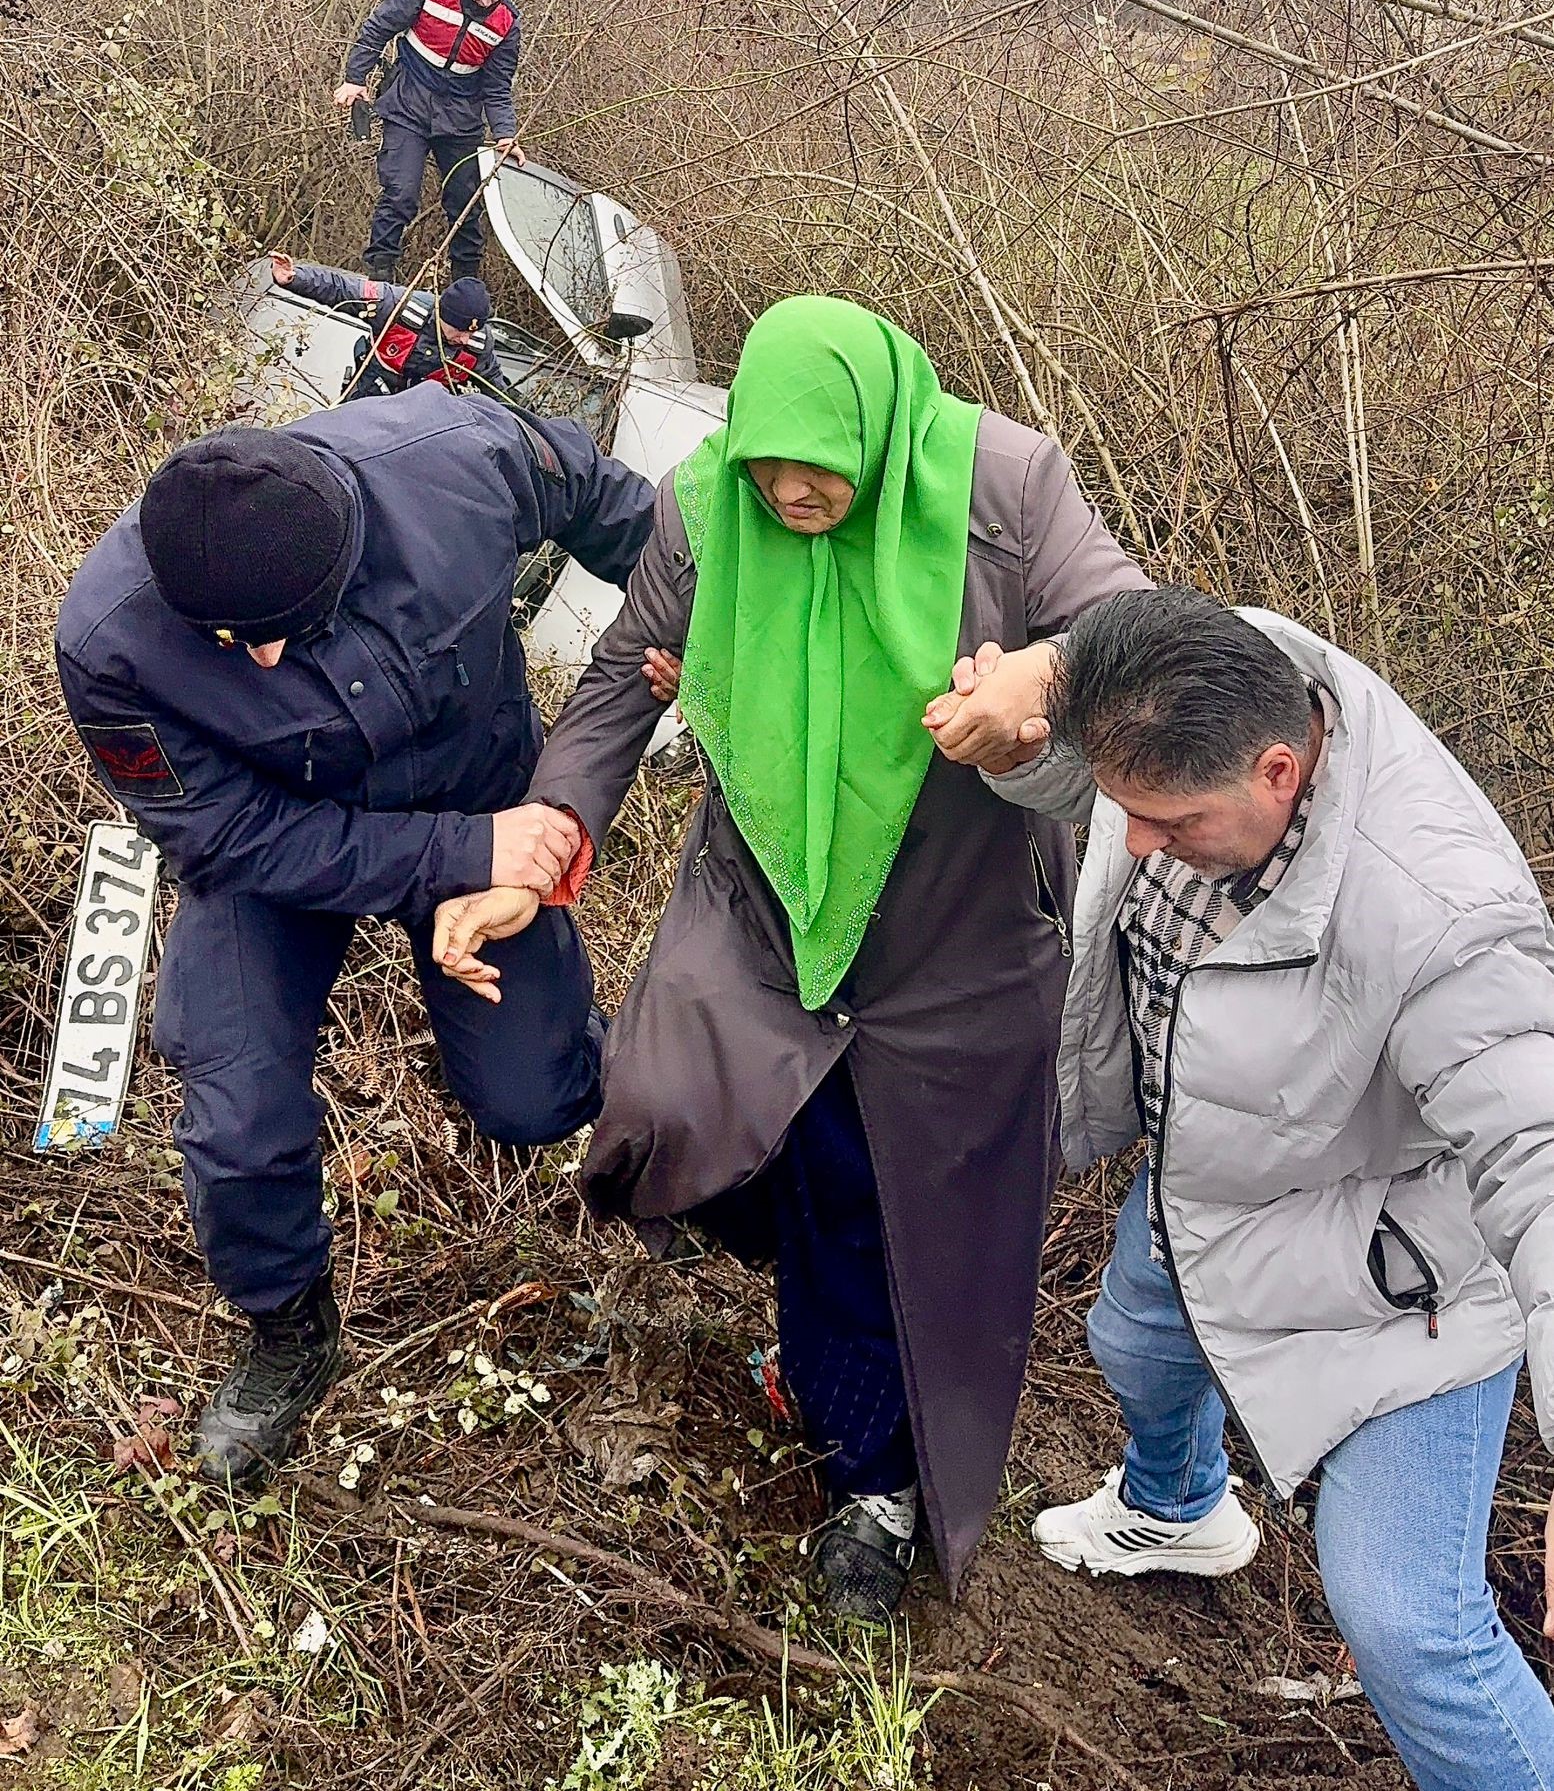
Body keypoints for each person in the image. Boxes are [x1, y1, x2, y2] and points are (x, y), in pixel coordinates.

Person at [429, 295, 1148, 1617]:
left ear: (879, 431)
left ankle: (869, 1484)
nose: (789, 488)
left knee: (877, 1205)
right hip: (763, 898)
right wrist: (538, 839)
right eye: (766, 459)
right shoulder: (705, 508)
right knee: (665, 1109)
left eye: (817, 462)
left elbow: (1136, 638)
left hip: (957, 921)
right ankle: (803, 1298)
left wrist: (1032, 686)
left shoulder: (1005, 482)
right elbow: (614, 685)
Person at [976, 587, 1554, 1791]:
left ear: (1281, 771)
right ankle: (1179, 1503)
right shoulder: (1219, 669)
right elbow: (1091, 750)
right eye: (1125, 806)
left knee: (1406, 1621)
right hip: (1218, 1182)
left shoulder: (1443, 915)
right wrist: (1019, 721)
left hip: (1405, 1276)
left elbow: (1539, 1155)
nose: (1133, 842)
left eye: (1169, 820)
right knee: (1132, 1337)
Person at [55, 386, 656, 1486]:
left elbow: (637, 524)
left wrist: (691, 655)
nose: (266, 662)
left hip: (479, 782)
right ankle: (289, 1327)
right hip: (283, 854)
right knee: (236, 1109)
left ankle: (677, 1115)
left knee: (530, 1098)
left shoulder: (459, 456)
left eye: (289, 627)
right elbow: (230, 837)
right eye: (235, 644)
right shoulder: (110, 644)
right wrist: (460, 855)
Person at [336, 0, 526, 283]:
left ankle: (465, 286)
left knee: (465, 204)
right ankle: (379, 276)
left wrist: (505, 135)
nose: (486, 2)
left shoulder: (506, 23)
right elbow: (379, 28)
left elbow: (497, 88)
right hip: (409, 101)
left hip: (460, 118)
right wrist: (355, 78)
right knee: (400, 193)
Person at [267, 256, 513, 403]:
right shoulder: (398, 307)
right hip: (365, 400)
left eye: (471, 332)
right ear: (441, 313)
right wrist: (295, 278)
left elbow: (495, 389)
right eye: (459, 330)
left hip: (415, 421)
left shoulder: (478, 345)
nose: (464, 338)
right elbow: (342, 289)